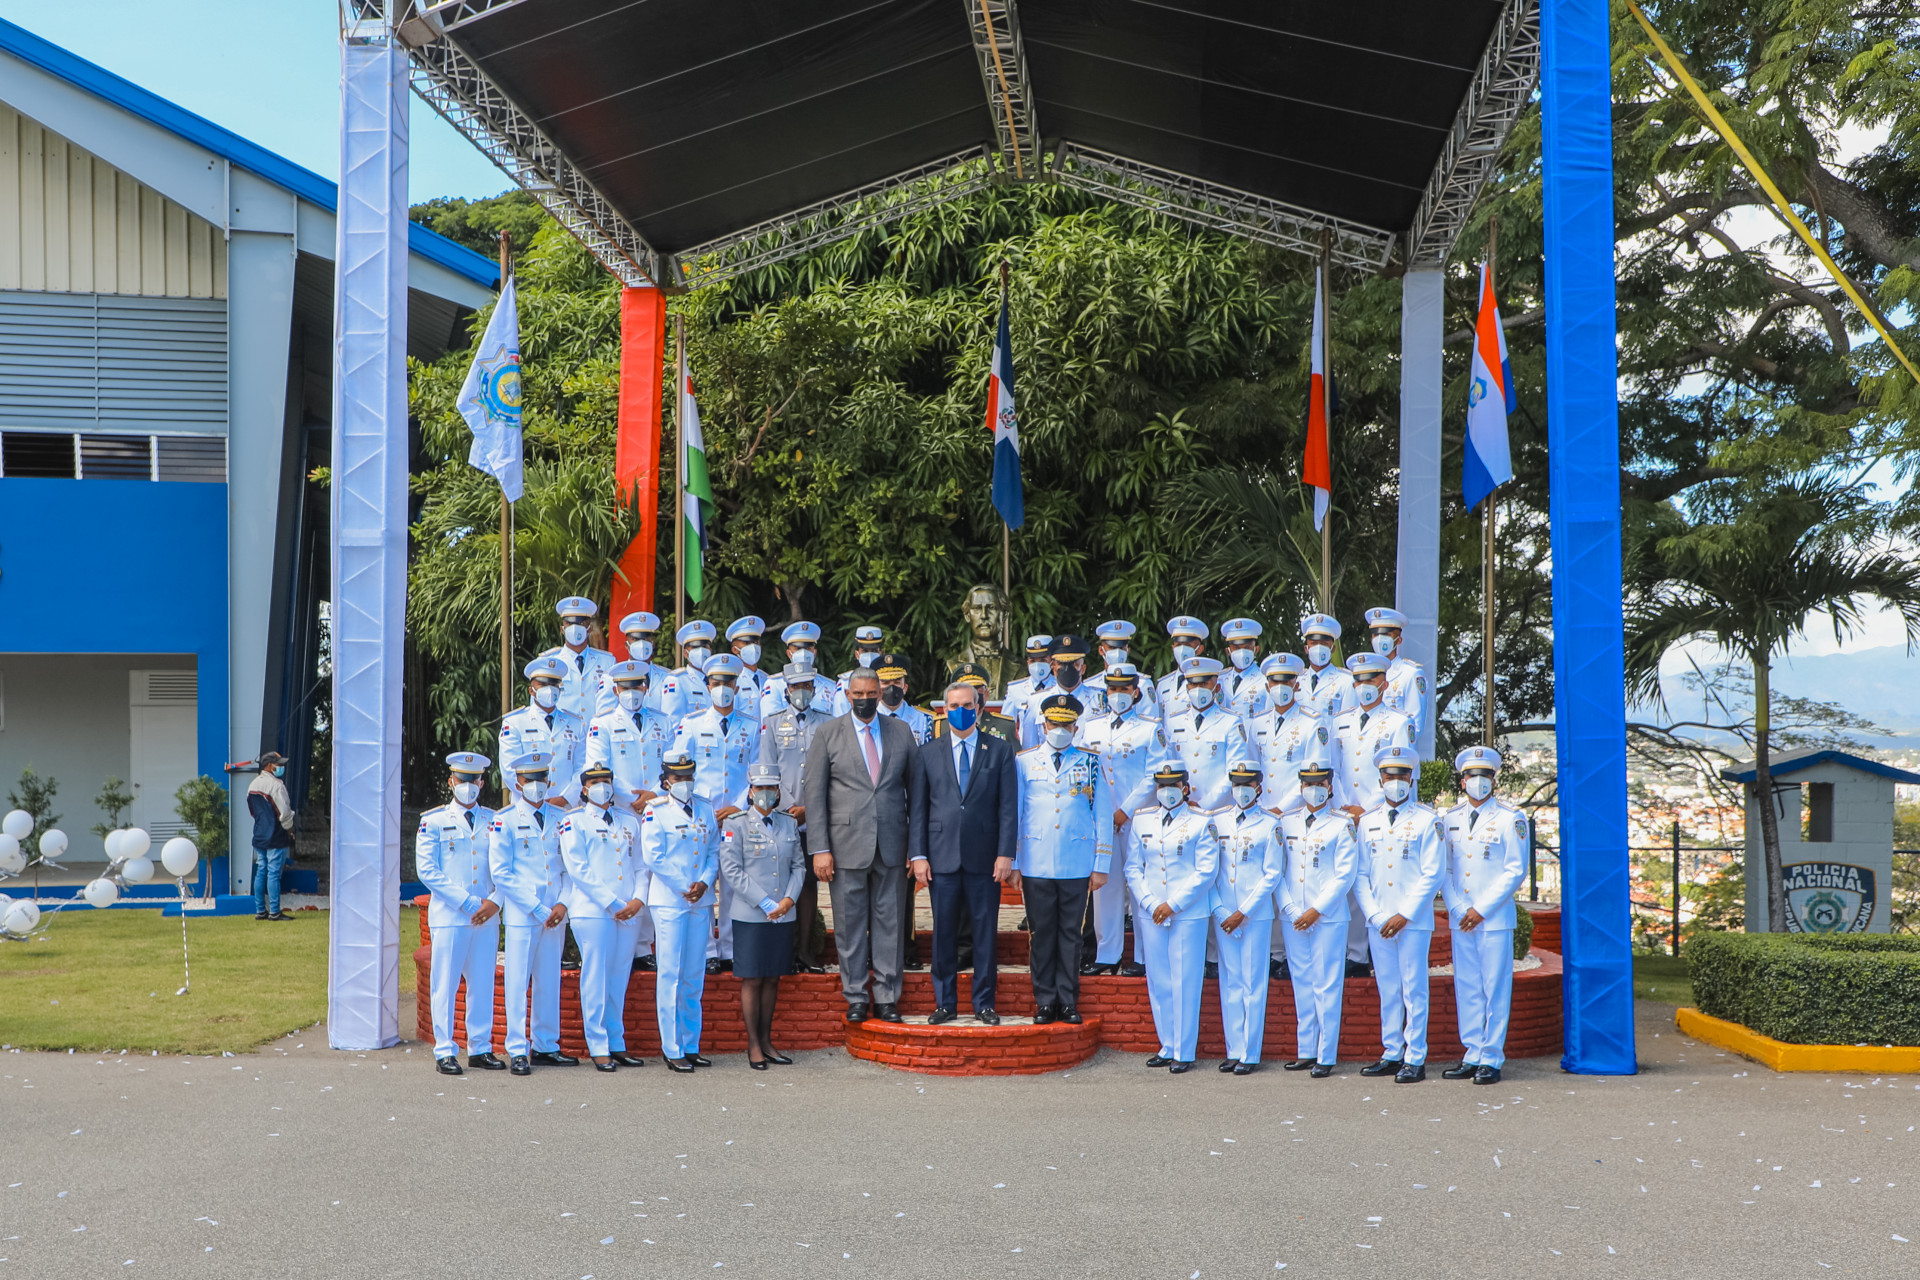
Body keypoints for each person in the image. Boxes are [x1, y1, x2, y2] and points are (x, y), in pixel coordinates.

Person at [803, 664, 917, 1024]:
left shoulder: (901, 731)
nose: (865, 700)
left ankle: (887, 997)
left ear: (880, 694)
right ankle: (855, 996)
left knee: (890, 925)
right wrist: (820, 849)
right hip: (844, 846)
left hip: (892, 844)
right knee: (850, 926)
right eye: (859, 695)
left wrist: (916, 848)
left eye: (871, 694)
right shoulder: (828, 733)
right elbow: (814, 795)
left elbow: (916, 793)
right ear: (848, 695)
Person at [909, 678, 1019, 1024]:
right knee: (943, 934)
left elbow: (1008, 807)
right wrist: (918, 855)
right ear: (944, 710)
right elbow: (919, 809)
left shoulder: (999, 750)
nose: (961, 711)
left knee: (985, 933)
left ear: (979, 707)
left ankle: (984, 1003)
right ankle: (945, 1003)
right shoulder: (928, 752)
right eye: (954, 706)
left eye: (967, 705)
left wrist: (1006, 853)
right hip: (940, 857)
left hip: (985, 858)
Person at [1014, 691, 1111, 1025]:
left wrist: (1101, 865)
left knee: (1071, 935)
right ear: (1043, 726)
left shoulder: (1090, 762)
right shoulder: (1024, 762)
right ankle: (1044, 1001)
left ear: (1075, 727)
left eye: (1066, 725)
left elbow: (1102, 815)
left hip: (1076, 862)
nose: (1060, 730)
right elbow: (1016, 813)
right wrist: (1015, 863)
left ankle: (1068, 1001)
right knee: (1041, 934)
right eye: (1054, 724)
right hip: (1036, 861)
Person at [1354, 745, 1444, 1084]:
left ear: (1411, 778)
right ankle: (1392, 1052)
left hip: (1413, 921)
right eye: (1390, 775)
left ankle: (1415, 1057)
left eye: (1402, 775)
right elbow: (1360, 875)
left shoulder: (1427, 820)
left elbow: (1433, 873)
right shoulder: (1367, 822)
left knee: (1414, 989)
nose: (1396, 781)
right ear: (1380, 779)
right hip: (1379, 922)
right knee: (1388, 988)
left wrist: (1404, 914)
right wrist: (1376, 916)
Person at [1439, 745, 1529, 1085]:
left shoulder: (1510, 818)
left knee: (1495, 988)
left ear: (1493, 779)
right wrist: (1458, 907)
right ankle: (1472, 1053)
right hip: (1461, 917)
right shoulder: (1449, 819)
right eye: (1472, 776)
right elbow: (1445, 869)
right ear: (1462, 781)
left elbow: (1515, 870)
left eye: (1485, 775)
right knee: (1467, 987)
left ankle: (1491, 1057)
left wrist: (1481, 909)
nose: (1478, 781)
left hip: (1493, 918)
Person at [1124, 762, 1219, 1073]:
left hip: (1187, 913)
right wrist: (1150, 903)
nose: (1167, 791)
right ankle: (1167, 1045)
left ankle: (1184, 1051)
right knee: (1159, 980)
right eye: (1162, 786)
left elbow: (1206, 871)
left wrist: (1173, 904)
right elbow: (1133, 868)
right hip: (1151, 912)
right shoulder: (1142, 820)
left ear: (1185, 788)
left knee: (1185, 981)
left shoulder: (1201, 822)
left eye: (1173, 786)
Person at [668, 651, 759, 974]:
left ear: (737, 686)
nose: (723, 687)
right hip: (701, 815)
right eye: (717, 682)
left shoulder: (751, 726)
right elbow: (679, 770)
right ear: (707, 685)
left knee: (733, 884)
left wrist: (740, 806)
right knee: (702, 881)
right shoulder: (692, 725)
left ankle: (730, 949)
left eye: (728, 682)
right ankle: (707, 950)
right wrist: (698, 806)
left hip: (737, 815)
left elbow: (756, 771)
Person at [488, 751, 575, 1075]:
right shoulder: (505, 819)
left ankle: (546, 1045)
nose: (536, 785)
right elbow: (501, 872)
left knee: (549, 980)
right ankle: (517, 1049)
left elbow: (568, 868)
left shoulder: (561, 818)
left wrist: (562, 904)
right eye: (529, 779)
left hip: (554, 914)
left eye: (541, 778)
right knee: (517, 981)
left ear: (548, 780)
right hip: (524, 914)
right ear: (518, 782)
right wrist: (537, 907)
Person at [416, 751, 501, 1075]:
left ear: (482, 783)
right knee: (445, 984)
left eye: (473, 780)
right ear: (451, 781)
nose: (468, 785)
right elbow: (428, 870)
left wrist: (495, 901)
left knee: (482, 984)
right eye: (462, 779)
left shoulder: (495, 820)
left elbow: (506, 868)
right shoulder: (433, 821)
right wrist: (467, 902)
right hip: (452, 916)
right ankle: (444, 1050)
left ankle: (480, 1048)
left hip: (486, 916)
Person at [560, 762, 649, 1071]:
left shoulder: (630, 820)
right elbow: (578, 868)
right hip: (593, 911)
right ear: (584, 789)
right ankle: (598, 1045)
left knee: (618, 978)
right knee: (596, 977)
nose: (602, 787)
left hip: (629, 911)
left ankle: (616, 1042)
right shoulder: (574, 822)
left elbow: (641, 866)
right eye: (595, 783)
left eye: (606, 781)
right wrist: (612, 903)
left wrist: (638, 899)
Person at [1075, 661, 1162, 976]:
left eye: (1124, 689)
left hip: (1138, 820)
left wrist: (1124, 812)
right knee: (1105, 890)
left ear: (1136, 692)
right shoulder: (1091, 727)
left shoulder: (1151, 729)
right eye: (1112, 689)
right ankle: (1107, 955)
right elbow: (1083, 770)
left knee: (1140, 888)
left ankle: (1143, 956)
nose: (1117, 694)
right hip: (1102, 822)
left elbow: (1154, 776)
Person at [719, 764, 806, 1069]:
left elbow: (799, 866)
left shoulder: (788, 823)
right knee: (753, 978)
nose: (766, 793)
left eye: (771, 788)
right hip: (752, 915)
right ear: (750, 791)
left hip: (783, 913)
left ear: (779, 792)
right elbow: (732, 871)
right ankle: (753, 1045)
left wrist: (788, 900)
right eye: (760, 788)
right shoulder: (735, 824)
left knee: (772, 977)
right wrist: (767, 903)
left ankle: (768, 1042)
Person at [1278, 753, 1359, 1077]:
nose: (1314, 788)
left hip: (1327, 917)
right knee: (1302, 983)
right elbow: (1278, 872)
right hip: (1294, 916)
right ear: (1301, 786)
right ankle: (1305, 1050)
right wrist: (1290, 908)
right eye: (1309, 783)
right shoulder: (1286, 822)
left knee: (1326, 985)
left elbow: (1345, 875)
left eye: (1320, 783)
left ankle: (1326, 1055)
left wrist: (1316, 910)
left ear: (1330, 786)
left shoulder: (1343, 824)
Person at [642, 749, 720, 1073]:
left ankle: (691, 1044)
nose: (685, 782)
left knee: (693, 975)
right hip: (670, 901)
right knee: (670, 974)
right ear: (666, 780)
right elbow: (653, 856)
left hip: (700, 900)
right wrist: (684, 885)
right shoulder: (655, 810)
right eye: (678, 777)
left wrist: (704, 882)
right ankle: (672, 1048)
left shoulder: (705, 807)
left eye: (689, 776)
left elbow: (714, 850)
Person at [1209, 760, 1285, 1075]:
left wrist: (1243, 912)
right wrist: (1220, 910)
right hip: (1224, 914)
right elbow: (1210, 871)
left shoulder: (1270, 824)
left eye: (1247, 784)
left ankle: (1250, 1053)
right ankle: (1234, 1049)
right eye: (1237, 784)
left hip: (1254, 915)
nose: (1241, 790)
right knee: (1230, 982)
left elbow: (1272, 874)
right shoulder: (1217, 821)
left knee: (1253, 984)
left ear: (1259, 787)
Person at [759, 661, 834, 971]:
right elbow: (767, 772)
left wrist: (810, 810)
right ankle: (783, 952)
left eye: (806, 686)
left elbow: (834, 772)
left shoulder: (828, 723)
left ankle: (806, 951)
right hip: (782, 816)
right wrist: (789, 810)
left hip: (816, 819)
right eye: (795, 687)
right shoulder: (772, 724)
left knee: (808, 886)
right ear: (786, 690)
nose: (801, 691)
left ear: (814, 689)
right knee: (781, 884)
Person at [499, 655, 586, 811]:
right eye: (543, 684)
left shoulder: (576, 724)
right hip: (526, 807)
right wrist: (536, 798)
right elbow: (509, 769)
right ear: (531, 690)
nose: (549, 689)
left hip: (566, 807)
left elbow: (582, 766)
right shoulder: (514, 723)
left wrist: (565, 798)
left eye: (554, 684)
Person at [1164, 656, 1248, 814]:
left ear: (1216, 687)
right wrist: (1180, 801)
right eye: (1193, 684)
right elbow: (1168, 766)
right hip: (1182, 809)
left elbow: (1234, 771)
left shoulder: (1231, 722)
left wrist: (1204, 804)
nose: (1198, 689)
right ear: (1187, 688)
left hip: (1220, 810)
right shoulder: (1174, 722)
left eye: (1204, 684)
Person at [537, 596, 617, 721]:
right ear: (562, 629)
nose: (574, 628)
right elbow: (539, 708)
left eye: (580, 623)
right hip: (563, 731)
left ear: (590, 628)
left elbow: (612, 704)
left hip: (596, 731)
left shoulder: (607, 662)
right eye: (569, 623)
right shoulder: (547, 662)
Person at [1363, 607, 1428, 743]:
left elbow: (1415, 727)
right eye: (1376, 634)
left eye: (1386, 634)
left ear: (1399, 640)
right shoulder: (1362, 674)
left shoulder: (1410, 674)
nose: (1380, 639)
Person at [245, 751, 296, 921]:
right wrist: (290, 829)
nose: (281, 767)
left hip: (259, 833)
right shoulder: (276, 786)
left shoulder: (253, 785)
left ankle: (260, 910)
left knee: (261, 871)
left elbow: (253, 812)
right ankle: (274, 912)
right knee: (273, 873)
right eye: (278, 764)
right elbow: (285, 812)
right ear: (269, 766)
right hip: (276, 834)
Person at [1015, 634, 1093, 744]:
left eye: (1074, 664)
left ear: (1083, 668)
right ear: (1054, 668)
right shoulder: (1036, 701)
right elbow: (1030, 745)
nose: (1067, 669)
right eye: (1061, 664)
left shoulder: (1100, 699)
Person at [596, 611, 672, 717]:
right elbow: (605, 718)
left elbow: (671, 718)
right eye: (635, 639)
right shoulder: (611, 678)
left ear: (653, 643)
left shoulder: (668, 677)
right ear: (626, 645)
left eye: (646, 638)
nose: (642, 644)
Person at [761, 621, 836, 715]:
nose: (803, 653)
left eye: (808, 648)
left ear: (814, 653)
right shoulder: (775, 685)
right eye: (798, 649)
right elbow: (769, 720)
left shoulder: (829, 686)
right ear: (789, 653)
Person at [1093, 619, 1158, 720]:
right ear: (1101, 650)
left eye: (1122, 648)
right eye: (1112, 648)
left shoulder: (1143, 684)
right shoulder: (1091, 685)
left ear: (1128, 650)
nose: (1118, 652)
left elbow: (1150, 721)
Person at [938, 664, 1018, 744]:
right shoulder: (941, 726)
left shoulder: (1005, 726)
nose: (974, 695)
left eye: (978, 690)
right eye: (967, 691)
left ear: (986, 694)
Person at [659, 620, 717, 724]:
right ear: (685, 653)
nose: (701, 651)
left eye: (704, 646)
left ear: (710, 650)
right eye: (695, 647)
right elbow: (673, 723)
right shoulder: (676, 680)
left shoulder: (718, 678)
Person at [1298, 614, 1356, 718]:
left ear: (1333, 649)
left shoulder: (1346, 681)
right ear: (1306, 649)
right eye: (1314, 643)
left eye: (1324, 644)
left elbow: (1349, 721)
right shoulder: (1296, 681)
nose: (1318, 648)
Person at [1001, 635, 1055, 745]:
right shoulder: (1015, 690)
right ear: (1027, 662)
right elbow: (1005, 726)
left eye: (1043, 660)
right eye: (1033, 661)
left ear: (1052, 661)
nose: (1037, 665)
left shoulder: (1060, 687)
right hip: (1026, 750)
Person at [1155, 616, 1210, 720]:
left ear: (1199, 649)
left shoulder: (1208, 681)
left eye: (1188, 645)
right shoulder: (1163, 684)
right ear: (1173, 648)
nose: (1182, 649)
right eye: (1179, 645)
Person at [875, 653, 934, 743]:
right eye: (885, 683)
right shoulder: (869, 718)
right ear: (877, 689)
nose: (892, 688)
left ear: (905, 688)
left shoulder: (923, 720)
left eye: (897, 682)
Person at [829, 624, 888, 714]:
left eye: (874, 651)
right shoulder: (846, 682)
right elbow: (840, 715)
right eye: (865, 651)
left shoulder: (888, 681)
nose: (870, 655)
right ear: (857, 654)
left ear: (881, 653)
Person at [1218, 618, 1267, 719]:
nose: (1242, 652)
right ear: (1228, 651)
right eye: (1236, 648)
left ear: (1256, 649)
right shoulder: (1219, 679)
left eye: (1247, 647)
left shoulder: (1265, 679)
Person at [725, 616, 768, 720]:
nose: (753, 647)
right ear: (735, 650)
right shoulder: (731, 680)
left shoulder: (767, 678)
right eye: (747, 643)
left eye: (756, 642)